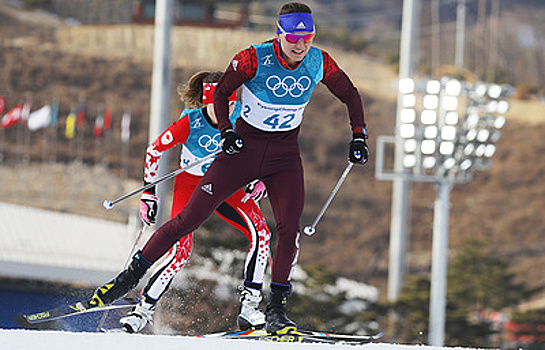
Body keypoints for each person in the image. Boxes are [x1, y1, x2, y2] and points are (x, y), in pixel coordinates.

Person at [88, 2, 369, 335]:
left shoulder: (318, 61)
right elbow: (221, 92)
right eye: (293, 36)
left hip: (284, 156)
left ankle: (275, 311)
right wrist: (227, 132)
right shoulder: (253, 58)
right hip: (243, 151)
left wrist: (358, 134)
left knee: (288, 230)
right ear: (280, 34)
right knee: (187, 220)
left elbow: (350, 94)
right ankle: (127, 279)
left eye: (306, 36)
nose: (300, 44)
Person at [119, 71, 272, 333]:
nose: (227, 110)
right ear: (206, 102)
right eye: (220, 105)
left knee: (262, 234)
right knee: (181, 252)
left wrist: (261, 178)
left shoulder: (242, 119)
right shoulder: (190, 122)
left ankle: (249, 307)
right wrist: (149, 193)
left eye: (232, 104)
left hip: (225, 182)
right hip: (191, 185)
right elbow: (154, 150)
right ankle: (142, 311)